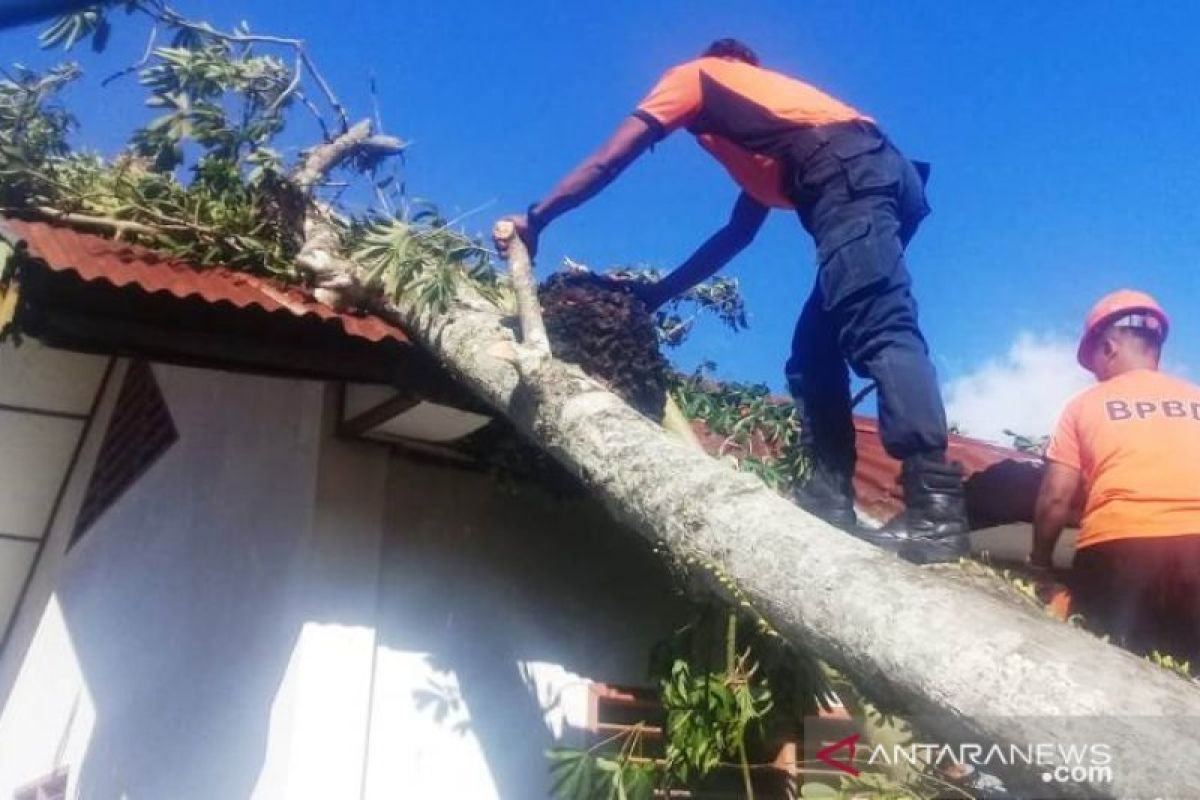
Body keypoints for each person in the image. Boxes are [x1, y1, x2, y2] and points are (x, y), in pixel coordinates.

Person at [497, 38, 968, 563]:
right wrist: (657, 294)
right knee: (814, 354)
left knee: (879, 324)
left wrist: (536, 219)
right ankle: (829, 498)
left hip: (851, 172)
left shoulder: (698, 76)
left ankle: (936, 512)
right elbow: (735, 236)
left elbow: (610, 161)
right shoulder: (771, 134)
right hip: (879, 177)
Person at [1032, 290, 1200, 663]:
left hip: (1119, 550)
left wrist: (1040, 566)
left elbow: (1056, 497)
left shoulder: (1083, 405)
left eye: (1093, 364)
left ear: (1108, 348)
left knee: (1112, 668)